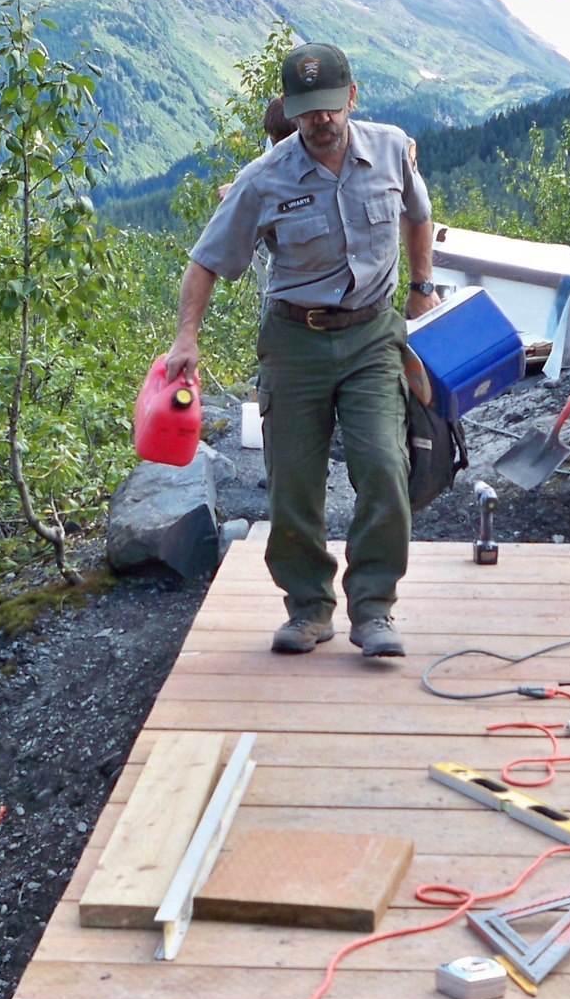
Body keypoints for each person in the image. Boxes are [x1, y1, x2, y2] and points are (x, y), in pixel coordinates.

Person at [165, 42, 437, 657]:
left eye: (329, 107)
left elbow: (417, 215)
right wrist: (187, 337)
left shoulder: (392, 148)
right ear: (288, 109)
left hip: (372, 335)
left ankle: (374, 610)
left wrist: (421, 287)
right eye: (306, 110)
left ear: (351, 97)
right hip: (294, 342)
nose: (320, 121)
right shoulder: (263, 179)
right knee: (292, 484)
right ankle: (310, 607)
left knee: (385, 468)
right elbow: (207, 260)